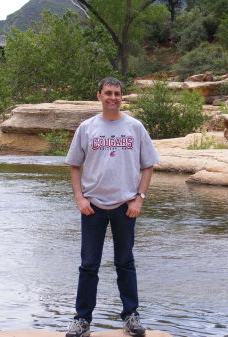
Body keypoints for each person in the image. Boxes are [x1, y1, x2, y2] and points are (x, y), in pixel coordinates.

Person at [65, 77, 159, 337]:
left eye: (117, 93)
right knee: (89, 265)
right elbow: (75, 165)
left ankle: (131, 316)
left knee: (125, 262)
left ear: (122, 97)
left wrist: (139, 197)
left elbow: (148, 165)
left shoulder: (135, 127)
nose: (113, 98)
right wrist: (79, 198)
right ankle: (82, 320)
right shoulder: (87, 127)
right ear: (99, 96)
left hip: (125, 206)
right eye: (108, 93)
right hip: (92, 206)